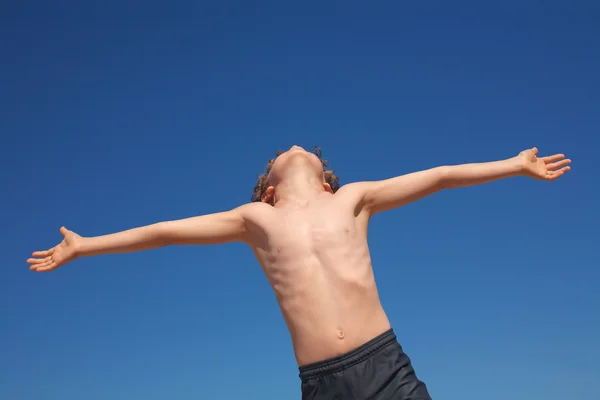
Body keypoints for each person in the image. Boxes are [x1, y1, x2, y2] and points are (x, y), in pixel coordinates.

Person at [28, 145, 570, 399]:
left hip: (384, 367)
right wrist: (86, 245)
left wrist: (513, 166)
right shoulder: (255, 219)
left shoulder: (354, 199)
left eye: (306, 149)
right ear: (268, 189)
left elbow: (440, 176)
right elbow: (164, 231)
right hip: (321, 385)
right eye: (276, 156)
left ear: (328, 180)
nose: (290, 147)